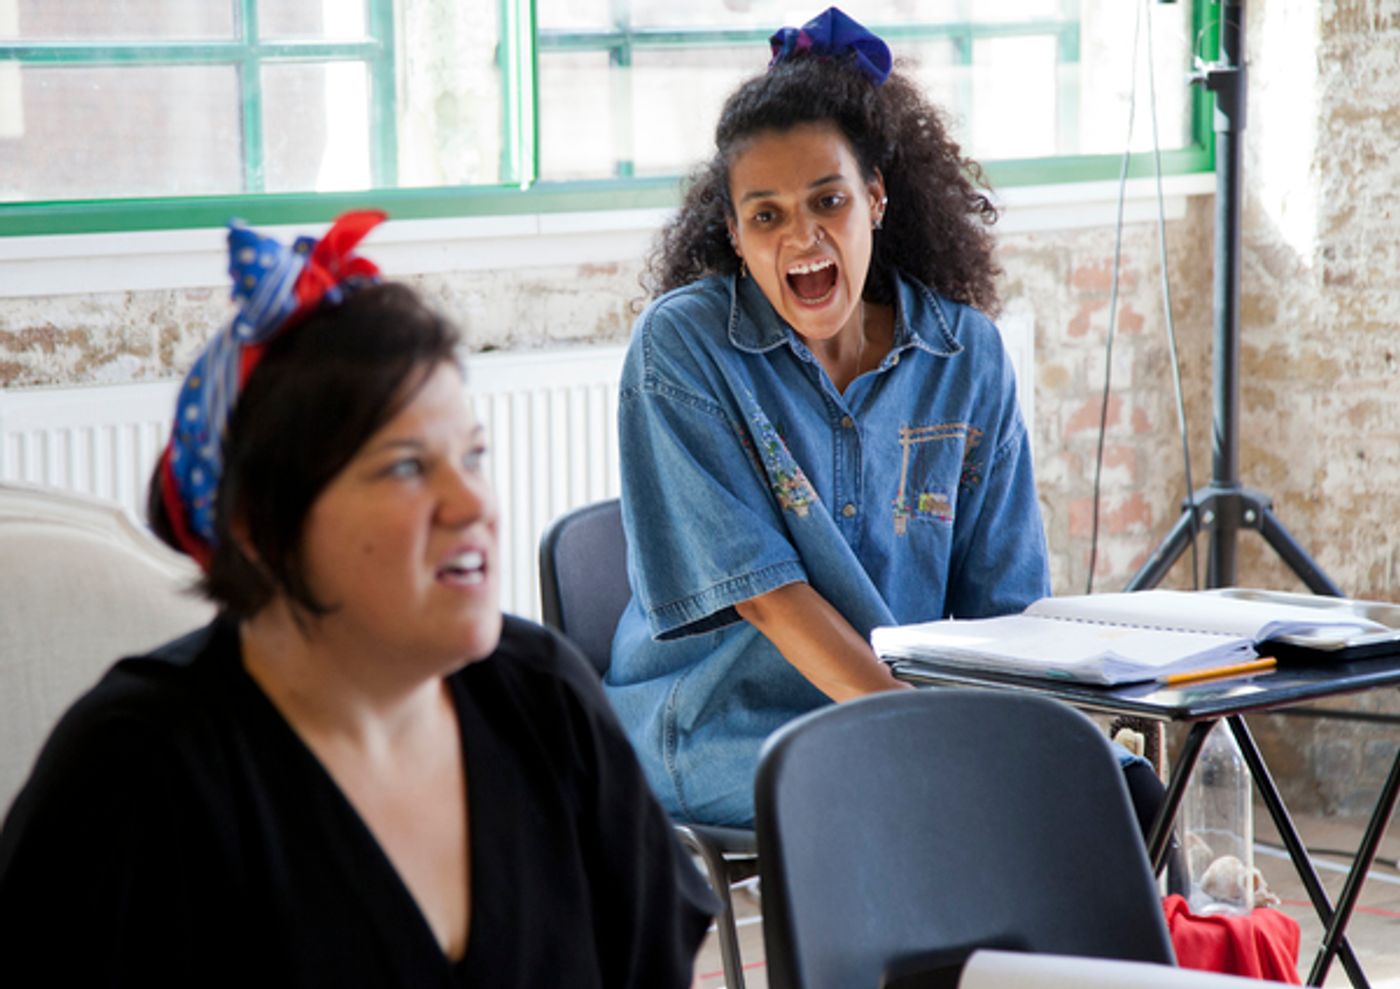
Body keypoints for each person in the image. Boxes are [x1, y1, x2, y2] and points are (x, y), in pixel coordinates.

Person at [0, 211, 715, 986]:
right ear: (259, 526)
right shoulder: (134, 778)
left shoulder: (544, 700)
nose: (471, 502)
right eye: (406, 467)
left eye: (471, 454)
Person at [604, 7, 1159, 830]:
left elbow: (1000, 608)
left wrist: (1029, 729)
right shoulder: (682, 350)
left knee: (1118, 783)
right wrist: (925, 731)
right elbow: (769, 600)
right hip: (724, 723)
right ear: (733, 233)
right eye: (767, 215)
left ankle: (1166, 951)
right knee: (942, 797)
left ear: (875, 197)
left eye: (828, 200)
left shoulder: (965, 356)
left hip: (915, 713)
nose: (803, 236)